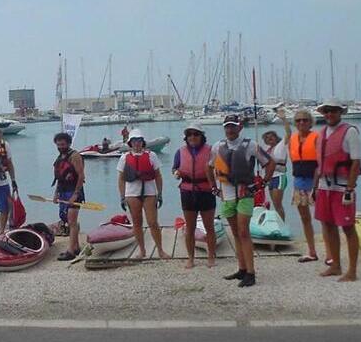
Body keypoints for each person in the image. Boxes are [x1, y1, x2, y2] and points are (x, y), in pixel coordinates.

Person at [207, 114, 274, 288]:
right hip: (227, 193)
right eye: (227, 127)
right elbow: (209, 167)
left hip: (246, 192)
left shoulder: (251, 145)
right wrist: (213, 188)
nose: (230, 130)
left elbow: (270, 163)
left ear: (240, 127)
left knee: (244, 231)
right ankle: (242, 268)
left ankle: (251, 273)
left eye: (233, 126)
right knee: (236, 233)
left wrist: (264, 182)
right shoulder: (218, 147)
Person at [314, 98, 361, 282]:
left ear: (340, 112)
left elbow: (356, 162)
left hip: (342, 187)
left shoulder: (350, 132)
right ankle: (335, 265)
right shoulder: (323, 133)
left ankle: (352, 271)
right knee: (327, 225)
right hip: (325, 185)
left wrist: (349, 188)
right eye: (326, 111)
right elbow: (320, 164)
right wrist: (315, 187)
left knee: (348, 228)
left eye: (333, 111)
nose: (329, 114)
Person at [117, 129, 170, 260]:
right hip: (132, 194)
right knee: (137, 223)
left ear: (142, 142)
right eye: (134, 141)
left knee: (153, 222)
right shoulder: (124, 157)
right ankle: (142, 250)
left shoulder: (151, 155)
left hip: (149, 192)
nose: (136, 144)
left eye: (139, 141)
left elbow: (158, 175)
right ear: (130, 143)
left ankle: (160, 250)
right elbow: (121, 179)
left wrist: (160, 193)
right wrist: (122, 197)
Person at [172, 123, 218, 269]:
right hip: (187, 191)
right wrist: (176, 173)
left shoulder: (211, 151)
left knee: (209, 227)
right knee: (190, 227)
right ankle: (190, 258)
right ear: (186, 137)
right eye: (190, 134)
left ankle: (211, 256)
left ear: (201, 136)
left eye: (196, 134)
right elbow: (175, 167)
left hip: (206, 190)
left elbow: (220, 169)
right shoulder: (180, 152)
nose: (192, 137)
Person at [288, 108, 320, 263]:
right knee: (305, 218)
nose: (301, 123)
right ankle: (312, 251)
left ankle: (331, 253)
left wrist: (316, 185)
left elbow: (321, 163)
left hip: (316, 182)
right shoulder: (293, 139)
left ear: (310, 122)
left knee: (325, 218)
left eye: (305, 120)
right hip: (299, 181)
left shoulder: (316, 138)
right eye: (298, 120)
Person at [52, 132, 85, 261]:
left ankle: (71, 251)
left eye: (63, 144)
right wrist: (56, 193)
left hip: (74, 191)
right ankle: (76, 246)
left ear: (69, 143)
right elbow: (59, 178)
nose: (60, 147)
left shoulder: (75, 156)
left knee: (71, 221)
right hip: (63, 191)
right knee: (68, 220)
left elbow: (81, 176)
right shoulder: (61, 157)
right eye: (58, 145)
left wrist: (75, 194)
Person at [262, 121, 288, 221]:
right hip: (270, 179)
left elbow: (288, 133)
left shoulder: (281, 145)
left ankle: (282, 224)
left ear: (276, 137)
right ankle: (278, 223)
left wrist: (283, 119)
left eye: (271, 136)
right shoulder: (267, 150)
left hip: (279, 177)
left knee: (278, 203)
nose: (270, 139)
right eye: (267, 138)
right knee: (274, 204)